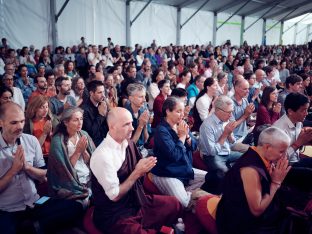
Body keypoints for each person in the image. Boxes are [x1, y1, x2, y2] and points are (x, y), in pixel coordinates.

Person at [90, 107, 183, 233]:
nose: (132, 128)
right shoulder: (102, 156)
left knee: (173, 203)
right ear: (112, 127)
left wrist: (145, 167)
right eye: (126, 124)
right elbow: (115, 196)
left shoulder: (129, 143)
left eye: (131, 123)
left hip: (136, 201)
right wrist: (137, 172)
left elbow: (139, 175)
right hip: (115, 213)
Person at [0, 102, 83, 234]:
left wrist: (27, 167)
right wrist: (13, 170)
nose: (20, 126)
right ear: (1, 123)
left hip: (35, 202)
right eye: (14, 123)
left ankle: (35, 227)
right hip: (8, 209)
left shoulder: (30, 141)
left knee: (76, 207)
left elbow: (44, 175)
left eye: (22, 121)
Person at [216, 127, 291, 234]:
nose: (283, 156)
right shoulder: (250, 170)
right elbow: (256, 210)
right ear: (267, 147)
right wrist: (275, 183)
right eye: (281, 152)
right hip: (237, 223)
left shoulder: (260, 156)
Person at [151, 97, 207, 208]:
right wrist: (181, 136)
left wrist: (187, 137)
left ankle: (188, 192)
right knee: (184, 203)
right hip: (167, 173)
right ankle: (188, 195)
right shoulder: (161, 130)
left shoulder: (181, 124)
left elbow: (194, 146)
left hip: (183, 169)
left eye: (182, 111)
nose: (182, 115)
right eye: (178, 111)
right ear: (168, 111)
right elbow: (174, 155)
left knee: (211, 178)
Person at [47, 107, 95, 207]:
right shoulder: (57, 141)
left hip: (88, 177)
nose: (80, 122)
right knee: (77, 207)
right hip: (71, 182)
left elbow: (92, 162)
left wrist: (84, 151)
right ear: (66, 122)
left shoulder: (84, 134)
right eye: (75, 120)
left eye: (81, 119)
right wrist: (77, 152)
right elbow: (63, 170)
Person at [199, 95, 243, 194]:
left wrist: (230, 135)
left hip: (226, 153)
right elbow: (212, 152)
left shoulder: (225, 120)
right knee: (225, 173)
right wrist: (225, 134)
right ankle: (224, 196)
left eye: (232, 111)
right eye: (229, 112)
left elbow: (232, 142)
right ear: (218, 111)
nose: (231, 115)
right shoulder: (207, 126)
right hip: (212, 156)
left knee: (248, 157)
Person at [24, 95, 57, 161]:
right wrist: (44, 133)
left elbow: (58, 141)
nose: (45, 110)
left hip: (53, 155)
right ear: (35, 108)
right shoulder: (27, 123)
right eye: (42, 107)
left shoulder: (52, 120)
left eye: (47, 107)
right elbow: (32, 148)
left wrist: (50, 134)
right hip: (38, 157)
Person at [82, 80, 109, 147]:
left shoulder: (102, 104)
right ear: (91, 93)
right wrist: (101, 115)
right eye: (99, 92)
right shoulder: (84, 110)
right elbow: (91, 133)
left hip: (106, 140)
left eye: (103, 92)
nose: (103, 95)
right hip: (94, 144)